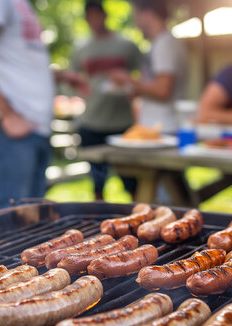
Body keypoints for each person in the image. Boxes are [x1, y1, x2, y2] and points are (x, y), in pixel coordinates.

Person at [0, 0, 84, 210]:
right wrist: (7, 113)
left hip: (32, 130)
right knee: (13, 224)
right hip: (9, 132)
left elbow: (17, 64)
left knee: (32, 223)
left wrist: (60, 76)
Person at [73, 0, 141, 200]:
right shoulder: (80, 48)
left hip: (122, 123)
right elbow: (74, 79)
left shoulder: (126, 45)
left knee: (132, 181)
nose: (95, 20)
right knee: (97, 182)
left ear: (105, 15)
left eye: (98, 14)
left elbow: (142, 77)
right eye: (90, 16)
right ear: (86, 19)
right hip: (91, 122)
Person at [109, 0, 188, 133]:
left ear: (148, 13)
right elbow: (155, 86)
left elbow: (163, 90)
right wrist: (136, 89)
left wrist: (128, 80)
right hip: (156, 126)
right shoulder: (158, 43)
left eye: (136, 14)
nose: (135, 21)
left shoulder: (165, 44)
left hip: (164, 127)